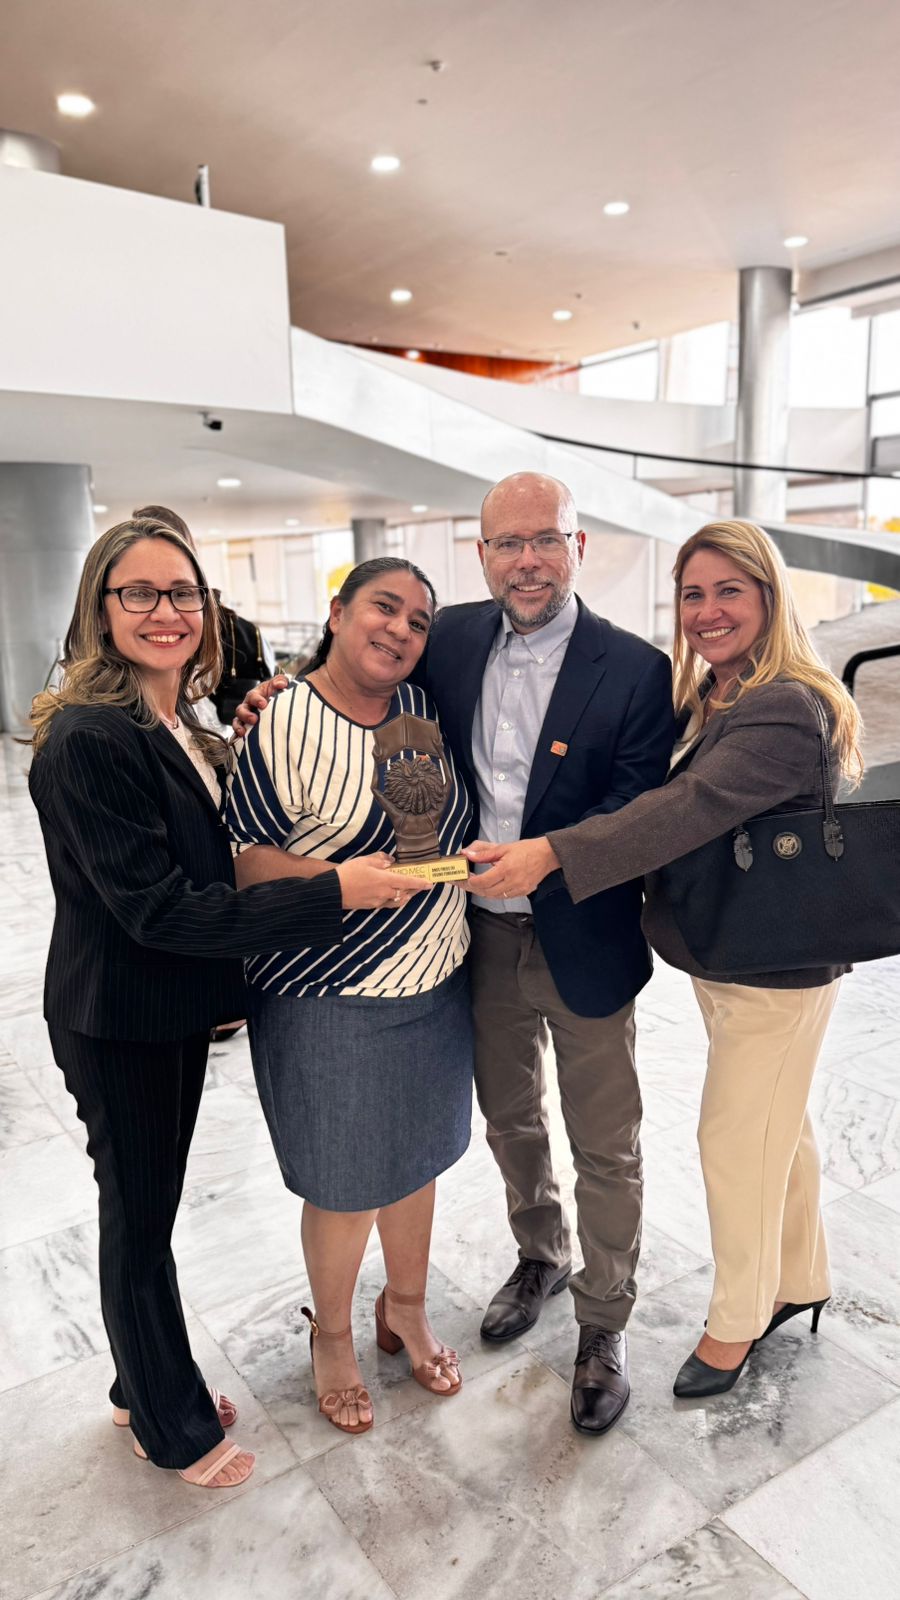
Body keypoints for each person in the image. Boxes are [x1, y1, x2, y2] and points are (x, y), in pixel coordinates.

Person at [235, 474, 676, 1437]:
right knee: (509, 1121)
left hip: (581, 937)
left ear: (578, 547)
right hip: (475, 939)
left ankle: (604, 1323)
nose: (527, 560)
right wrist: (278, 690)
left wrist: (550, 854)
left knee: (605, 1142)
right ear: (482, 556)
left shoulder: (638, 668)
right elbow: (357, 677)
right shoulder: (454, 638)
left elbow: (640, 813)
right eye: (507, 543)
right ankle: (541, 1256)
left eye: (546, 540)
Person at [28, 518, 412, 1488]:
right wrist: (333, 891)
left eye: (183, 593)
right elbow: (159, 908)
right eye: (139, 593)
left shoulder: (176, 719)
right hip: (120, 1017)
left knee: (145, 1208)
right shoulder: (87, 737)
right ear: (100, 606)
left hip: (166, 1010)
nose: (166, 612)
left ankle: (139, 1384)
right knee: (139, 1220)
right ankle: (171, 1426)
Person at [465, 518, 863, 1397]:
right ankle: (801, 1278)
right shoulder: (718, 690)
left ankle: (737, 1321)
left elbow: (683, 809)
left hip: (779, 972)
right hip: (734, 962)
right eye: (693, 594)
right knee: (780, 1130)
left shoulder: (784, 704)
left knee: (734, 1141)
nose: (708, 611)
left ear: (771, 597)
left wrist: (553, 854)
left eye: (730, 592)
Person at [226, 557, 473, 1436]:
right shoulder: (282, 717)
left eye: (418, 620)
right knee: (343, 1179)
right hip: (325, 986)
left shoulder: (426, 711)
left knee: (418, 1158)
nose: (400, 629)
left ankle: (404, 1308)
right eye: (383, 607)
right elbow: (245, 861)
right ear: (337, 613)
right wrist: (339, 882)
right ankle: (330, 1335)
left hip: (435, 977)